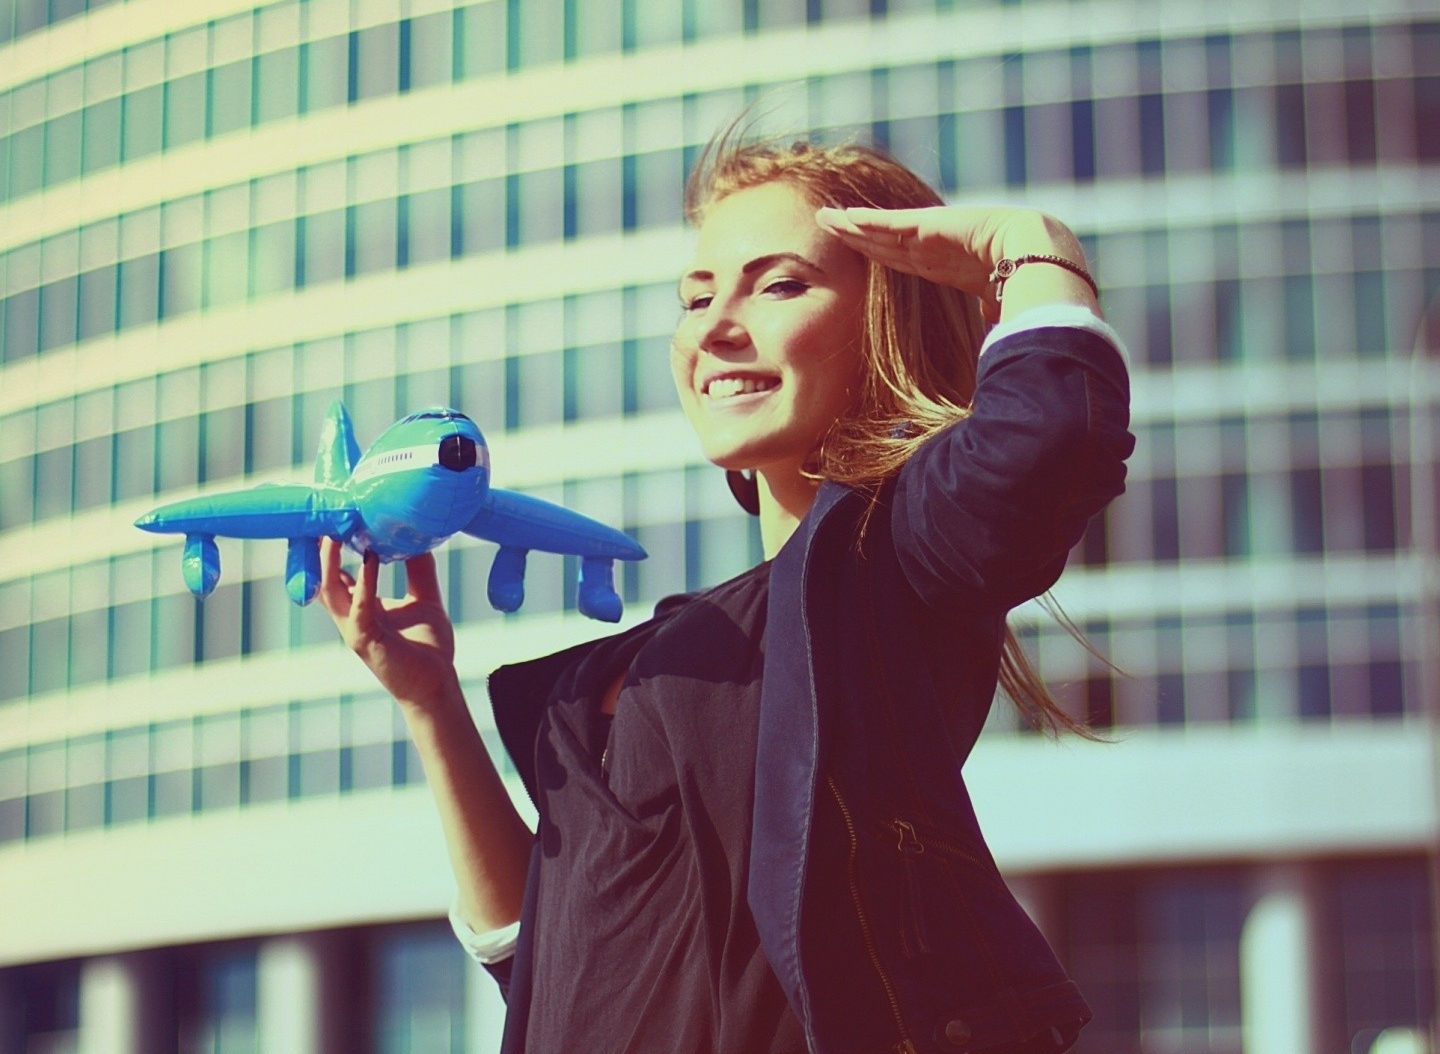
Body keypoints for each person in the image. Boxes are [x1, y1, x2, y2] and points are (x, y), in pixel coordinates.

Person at [318, 134, 1134, 1054]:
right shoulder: (655, 655)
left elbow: (1051, 435)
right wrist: (431, 705)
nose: (714, 327)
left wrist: (1031, 248)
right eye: (698, 296)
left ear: (884, 322)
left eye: (779, 284)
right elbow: (544, 954)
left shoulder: (891, 566)